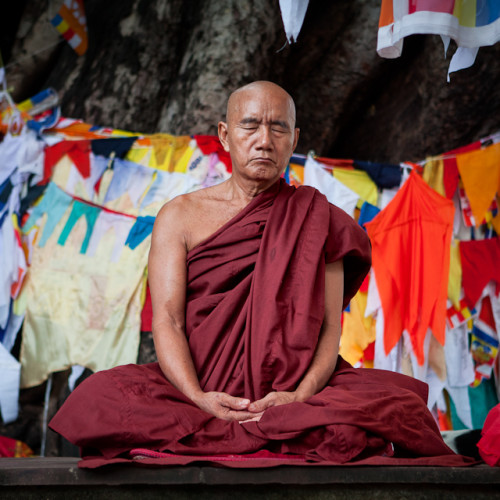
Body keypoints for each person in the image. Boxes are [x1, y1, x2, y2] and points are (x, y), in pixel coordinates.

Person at [49, 81, 472, 468]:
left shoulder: (318, 217)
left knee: (387, 410)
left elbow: (328, 328)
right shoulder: (180, 216)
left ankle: (273, 422)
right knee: (99, 397)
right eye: (250, 126)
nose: (264, 141)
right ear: (224, 134)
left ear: (295, 139)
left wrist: (297, 397)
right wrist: (197, 397)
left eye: (278, 128)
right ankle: (229, 422)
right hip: (197, 388)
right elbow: (168, 319)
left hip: (292, 391)